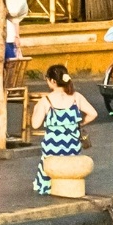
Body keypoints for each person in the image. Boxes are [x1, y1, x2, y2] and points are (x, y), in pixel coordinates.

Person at [31, 64, 98, 194]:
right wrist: (81, 123)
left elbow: (35, 124)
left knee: (47, 158)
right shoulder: (76, 97)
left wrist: (34, 110)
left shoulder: (46, 100)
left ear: (53, 81)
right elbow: (93, 114)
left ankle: (46, 186)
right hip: (72, 146)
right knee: (72, 156)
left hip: (52, 147)